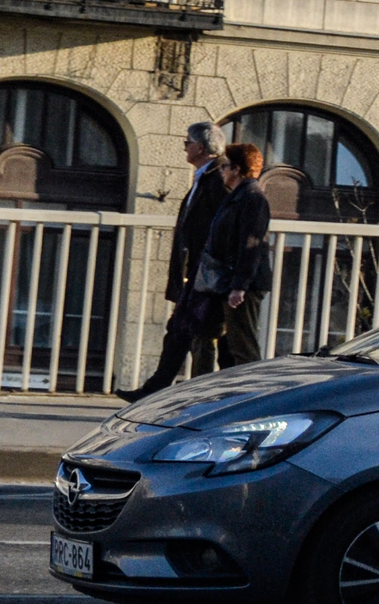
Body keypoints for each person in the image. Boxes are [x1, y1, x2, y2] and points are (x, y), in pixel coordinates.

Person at [118, 121, 229, 402]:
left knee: (203, 336)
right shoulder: (205, 176)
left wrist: (201, 265)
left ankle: (203, 394)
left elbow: (217, 225)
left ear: (200, 147)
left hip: (204, 274)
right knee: (180, 330)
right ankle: (157, 388)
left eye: (187, 142)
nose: (184, 147)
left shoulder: (216, 179)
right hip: (196, 273)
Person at [193, 144, 275, 370]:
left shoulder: (252, 197)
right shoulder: (238, 196)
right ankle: (205, 391)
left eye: (225, 167)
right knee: (205, 334)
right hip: (225, 281)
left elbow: (251, 244)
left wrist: (240, 285)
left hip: (240, 284)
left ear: (237, 169)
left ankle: (251, 395)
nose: (222, 171)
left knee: (242, 346)